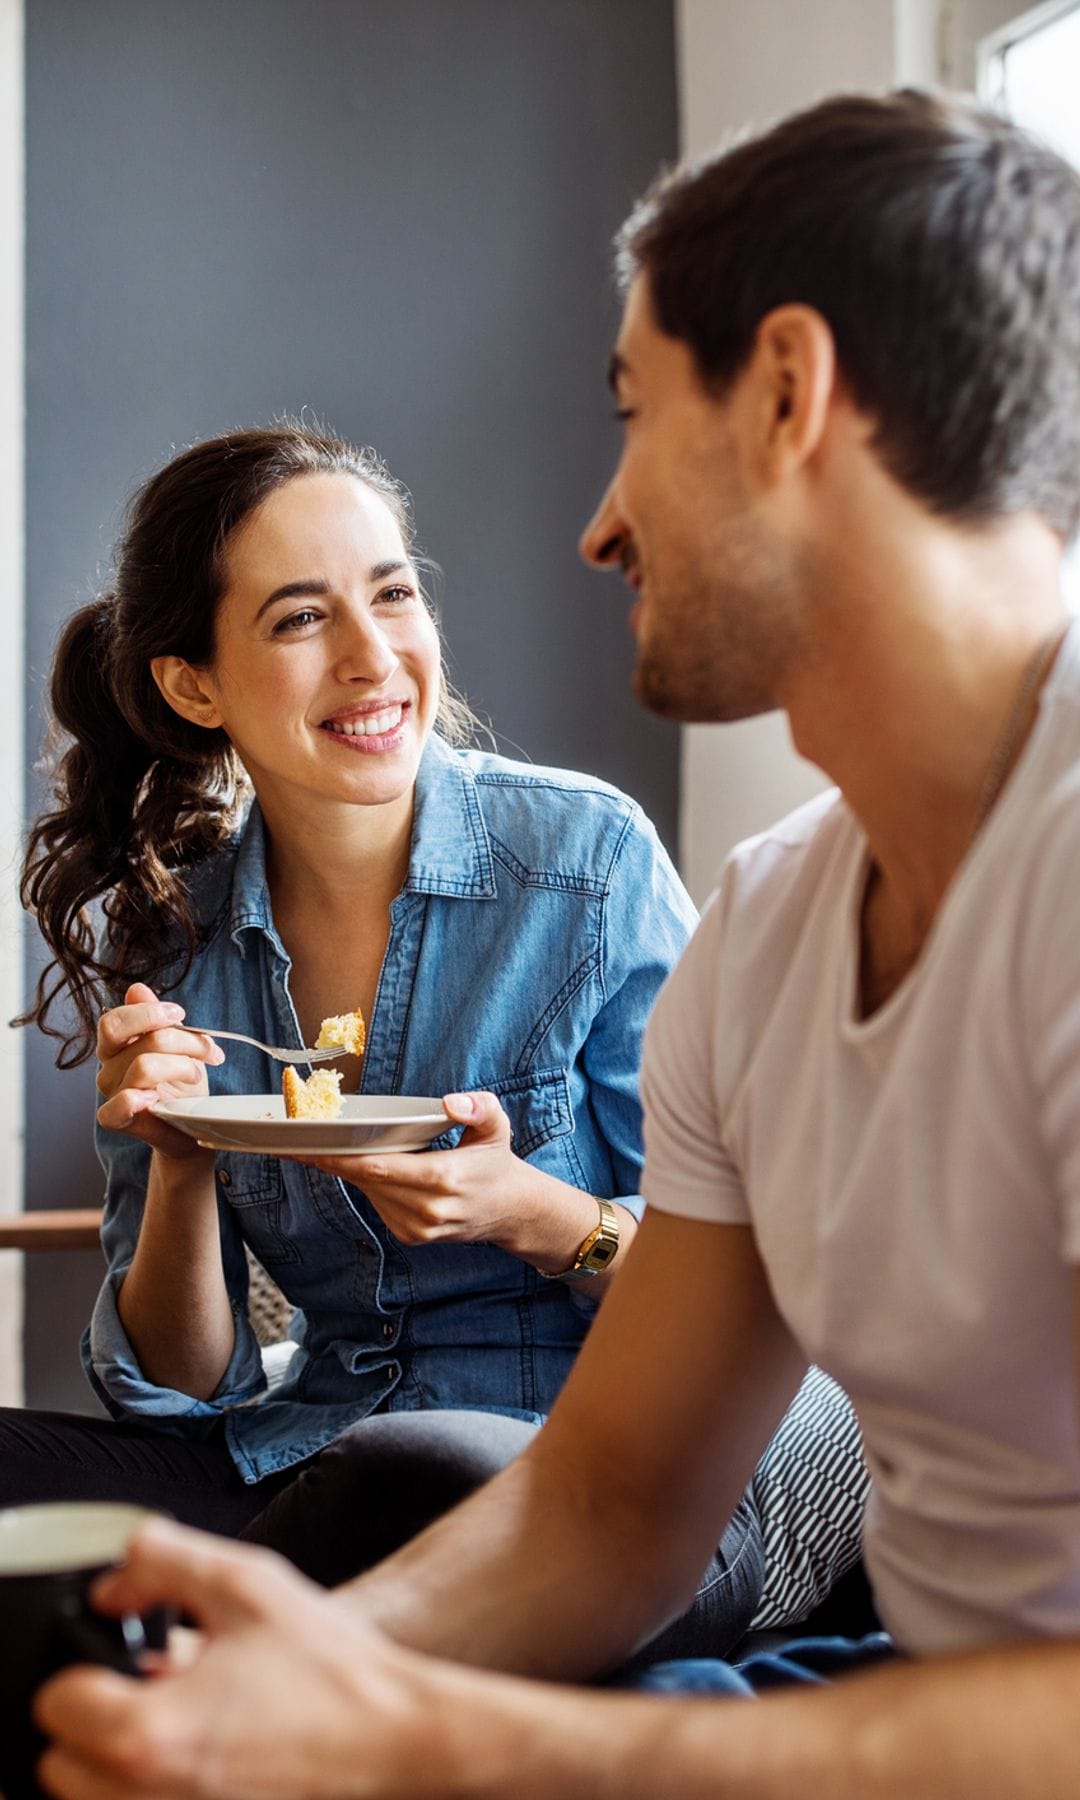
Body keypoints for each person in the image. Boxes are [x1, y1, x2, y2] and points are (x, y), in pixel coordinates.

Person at [38, 83, 1079, 1797]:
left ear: (789, 398)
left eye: (630, 415)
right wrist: (257, 1696)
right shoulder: (773, 925)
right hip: (887, 1670)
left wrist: (425, 1740)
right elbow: (607, 1507)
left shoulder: (642, 866)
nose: (598, 525)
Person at [10, 422, 864, 1660]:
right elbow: (190, 1393)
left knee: (408, 1472)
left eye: (393, 595)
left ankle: (225, 1640)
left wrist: (529, 1212)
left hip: (604, 1461)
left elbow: (762, 1270)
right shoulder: (181, 936)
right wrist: (182, 1158)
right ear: (194, 684)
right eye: (301, 620)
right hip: (323, 1458)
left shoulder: (583, 865)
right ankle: (245, 1634)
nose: (374, 659)